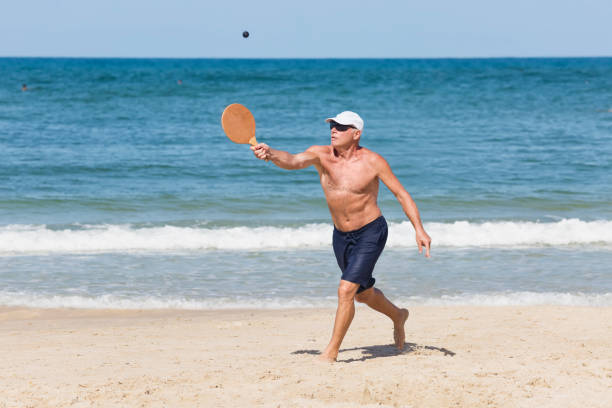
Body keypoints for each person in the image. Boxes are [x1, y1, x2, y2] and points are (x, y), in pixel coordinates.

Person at [251, 111, 432, 362]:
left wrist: (419, 228)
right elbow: (292, 160)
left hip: (371, 231)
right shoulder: (321, 155)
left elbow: (401, 194)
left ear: (356, 134)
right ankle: (398, 315)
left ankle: (331, 352)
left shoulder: (373, 162)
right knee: (363, 294)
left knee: (346, 290)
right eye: (332, 125)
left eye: (341, 127)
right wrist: (270, 154)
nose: (333, 130)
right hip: (341, 236)